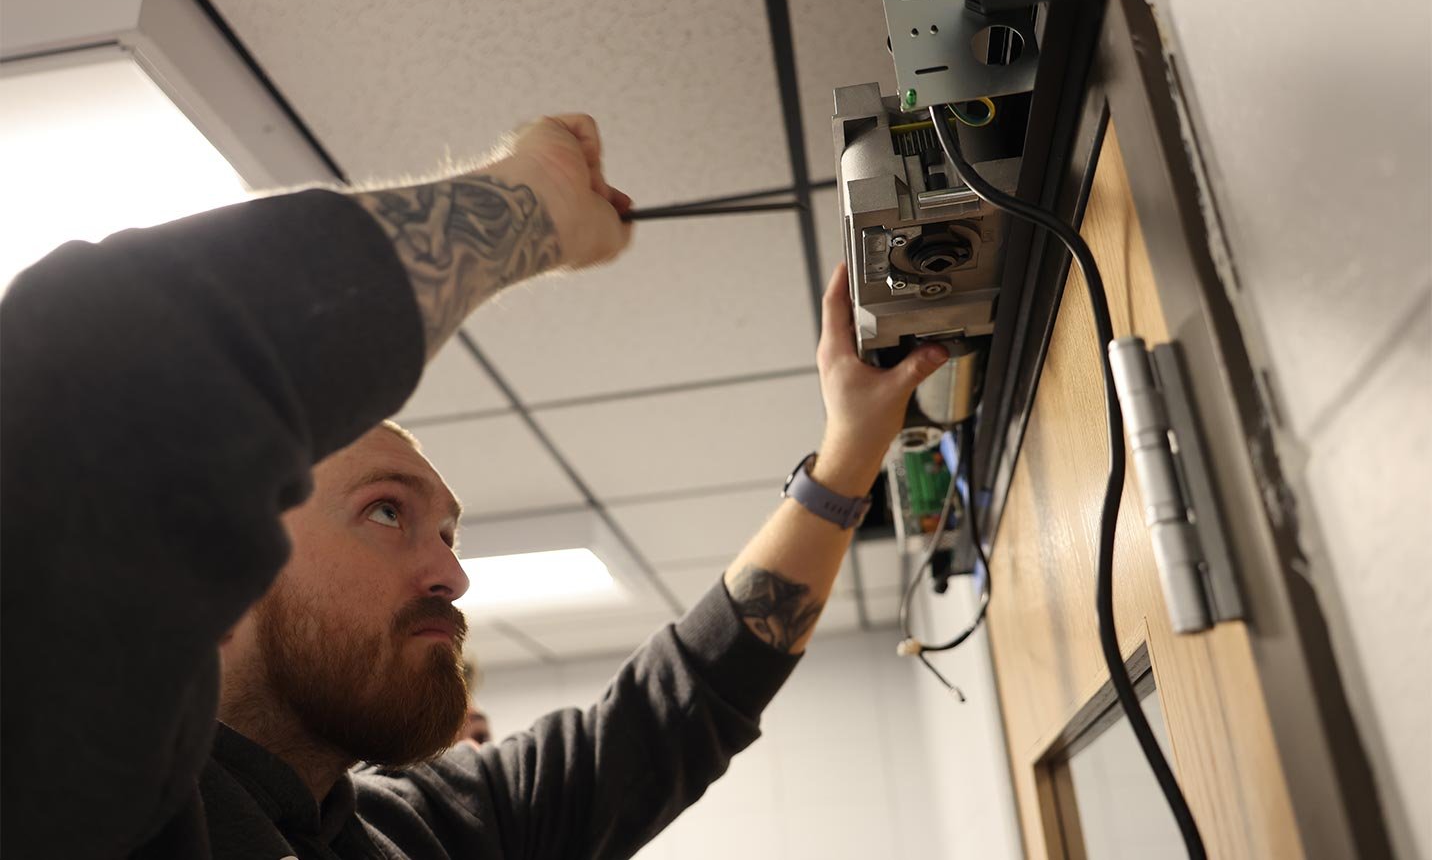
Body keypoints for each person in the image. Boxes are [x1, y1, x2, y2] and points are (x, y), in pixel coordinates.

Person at [0, 114, 950, 859]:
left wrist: (849, 457)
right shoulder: (88, 799)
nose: (451, 577)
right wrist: (525, 207)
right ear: (232, 558)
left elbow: (683, 703)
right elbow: (88, 378)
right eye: (387, 513)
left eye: (448, 536)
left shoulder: (420, 834)